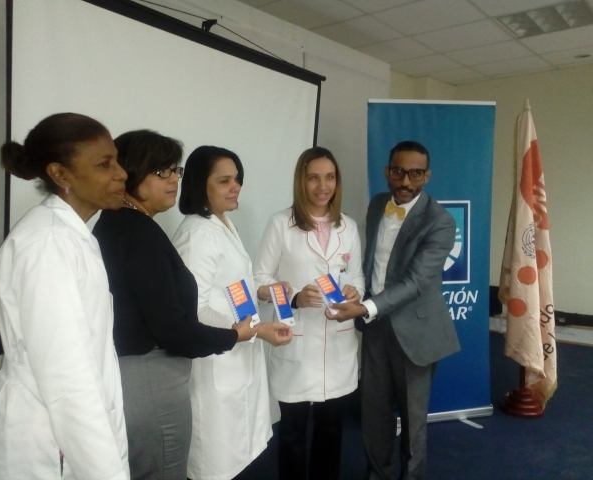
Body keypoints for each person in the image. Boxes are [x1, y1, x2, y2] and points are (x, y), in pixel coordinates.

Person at [92, 131, 260, 480]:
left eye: (174, 170)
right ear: (130, 174)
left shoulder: (125, 225)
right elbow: (173, 326)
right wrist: (234, 335)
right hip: (151, 376)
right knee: (165, 468)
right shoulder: (141, 235)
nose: (173, 180)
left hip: (143, 371)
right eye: (162, 172)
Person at [0, 113, 130, 479]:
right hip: (46, 438)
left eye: (117, 161)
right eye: (104, 164)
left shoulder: (71, 235)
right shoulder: (46, 243)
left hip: (64, 428)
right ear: (61, 174)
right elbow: (67, 375)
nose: (122, 173)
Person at [325, 141, 460, 480]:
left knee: (413, 421)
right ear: (388, 171)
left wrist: (364, 307)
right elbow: (370, 262)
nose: (405, 181)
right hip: (374, 326)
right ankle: (377, 474)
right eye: (398, 171)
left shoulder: (440, 222)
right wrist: (355, 291)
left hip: (415, 331)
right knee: (374, 412)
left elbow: (416, 282)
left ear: (427, 176)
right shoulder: (377, 205)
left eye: (415, 173)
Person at [172, 146, 292, 480]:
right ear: (201, 185)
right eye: (224, 180)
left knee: (241, 457)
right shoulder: (197, 234)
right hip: (215, 365)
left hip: (238, 356)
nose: (235, 187)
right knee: (216, 463)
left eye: (237, 179)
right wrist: (253, 330)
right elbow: (194, 310)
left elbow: (228, 289)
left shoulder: (222, 223)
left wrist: (264, 292)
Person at [253, 147, 364, 480]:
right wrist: (293, 298)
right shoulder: (281, 224)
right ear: (301, 181)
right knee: (292, 433)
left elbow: (358, 277)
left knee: (331, 431)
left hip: (338, 344)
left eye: (329, 177)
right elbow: (258, 280)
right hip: (297, 341)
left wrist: (354, 292)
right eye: (313, 178)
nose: (322, 186)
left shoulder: (348, 226)